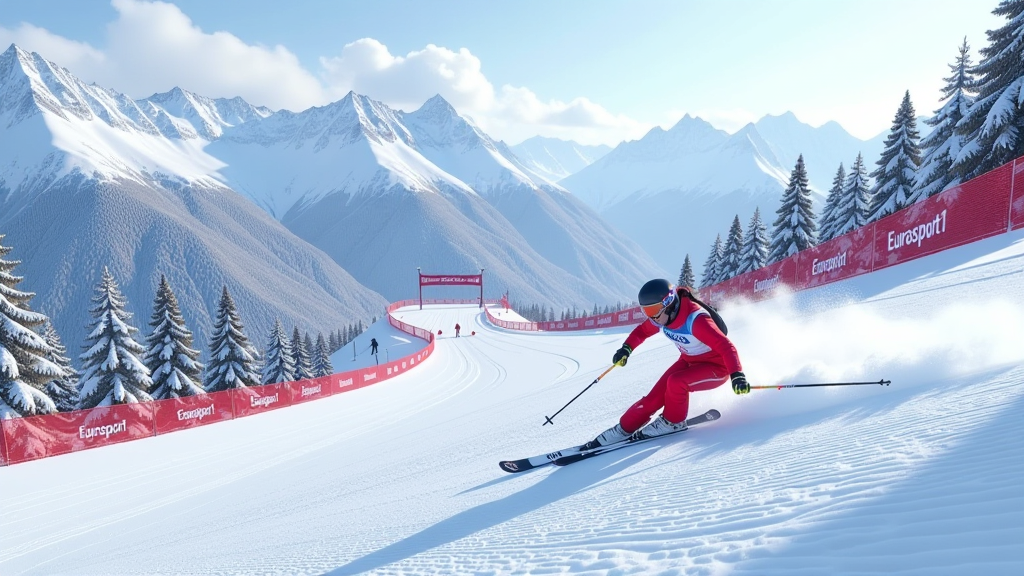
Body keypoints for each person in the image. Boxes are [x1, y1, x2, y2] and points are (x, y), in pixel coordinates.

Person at [584, 279, 749, 450]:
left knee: (676, 382)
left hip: (717, 367)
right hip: (689, 361)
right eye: (646, 310)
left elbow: (726, 346)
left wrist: (737, 375)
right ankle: (623, 429)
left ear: (669, 304)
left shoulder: (695, 320)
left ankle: (672, 422)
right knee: (652, 399)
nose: (651, 316)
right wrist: (626, 349)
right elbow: (642, 331)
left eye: (653, 310)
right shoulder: (661, 317)